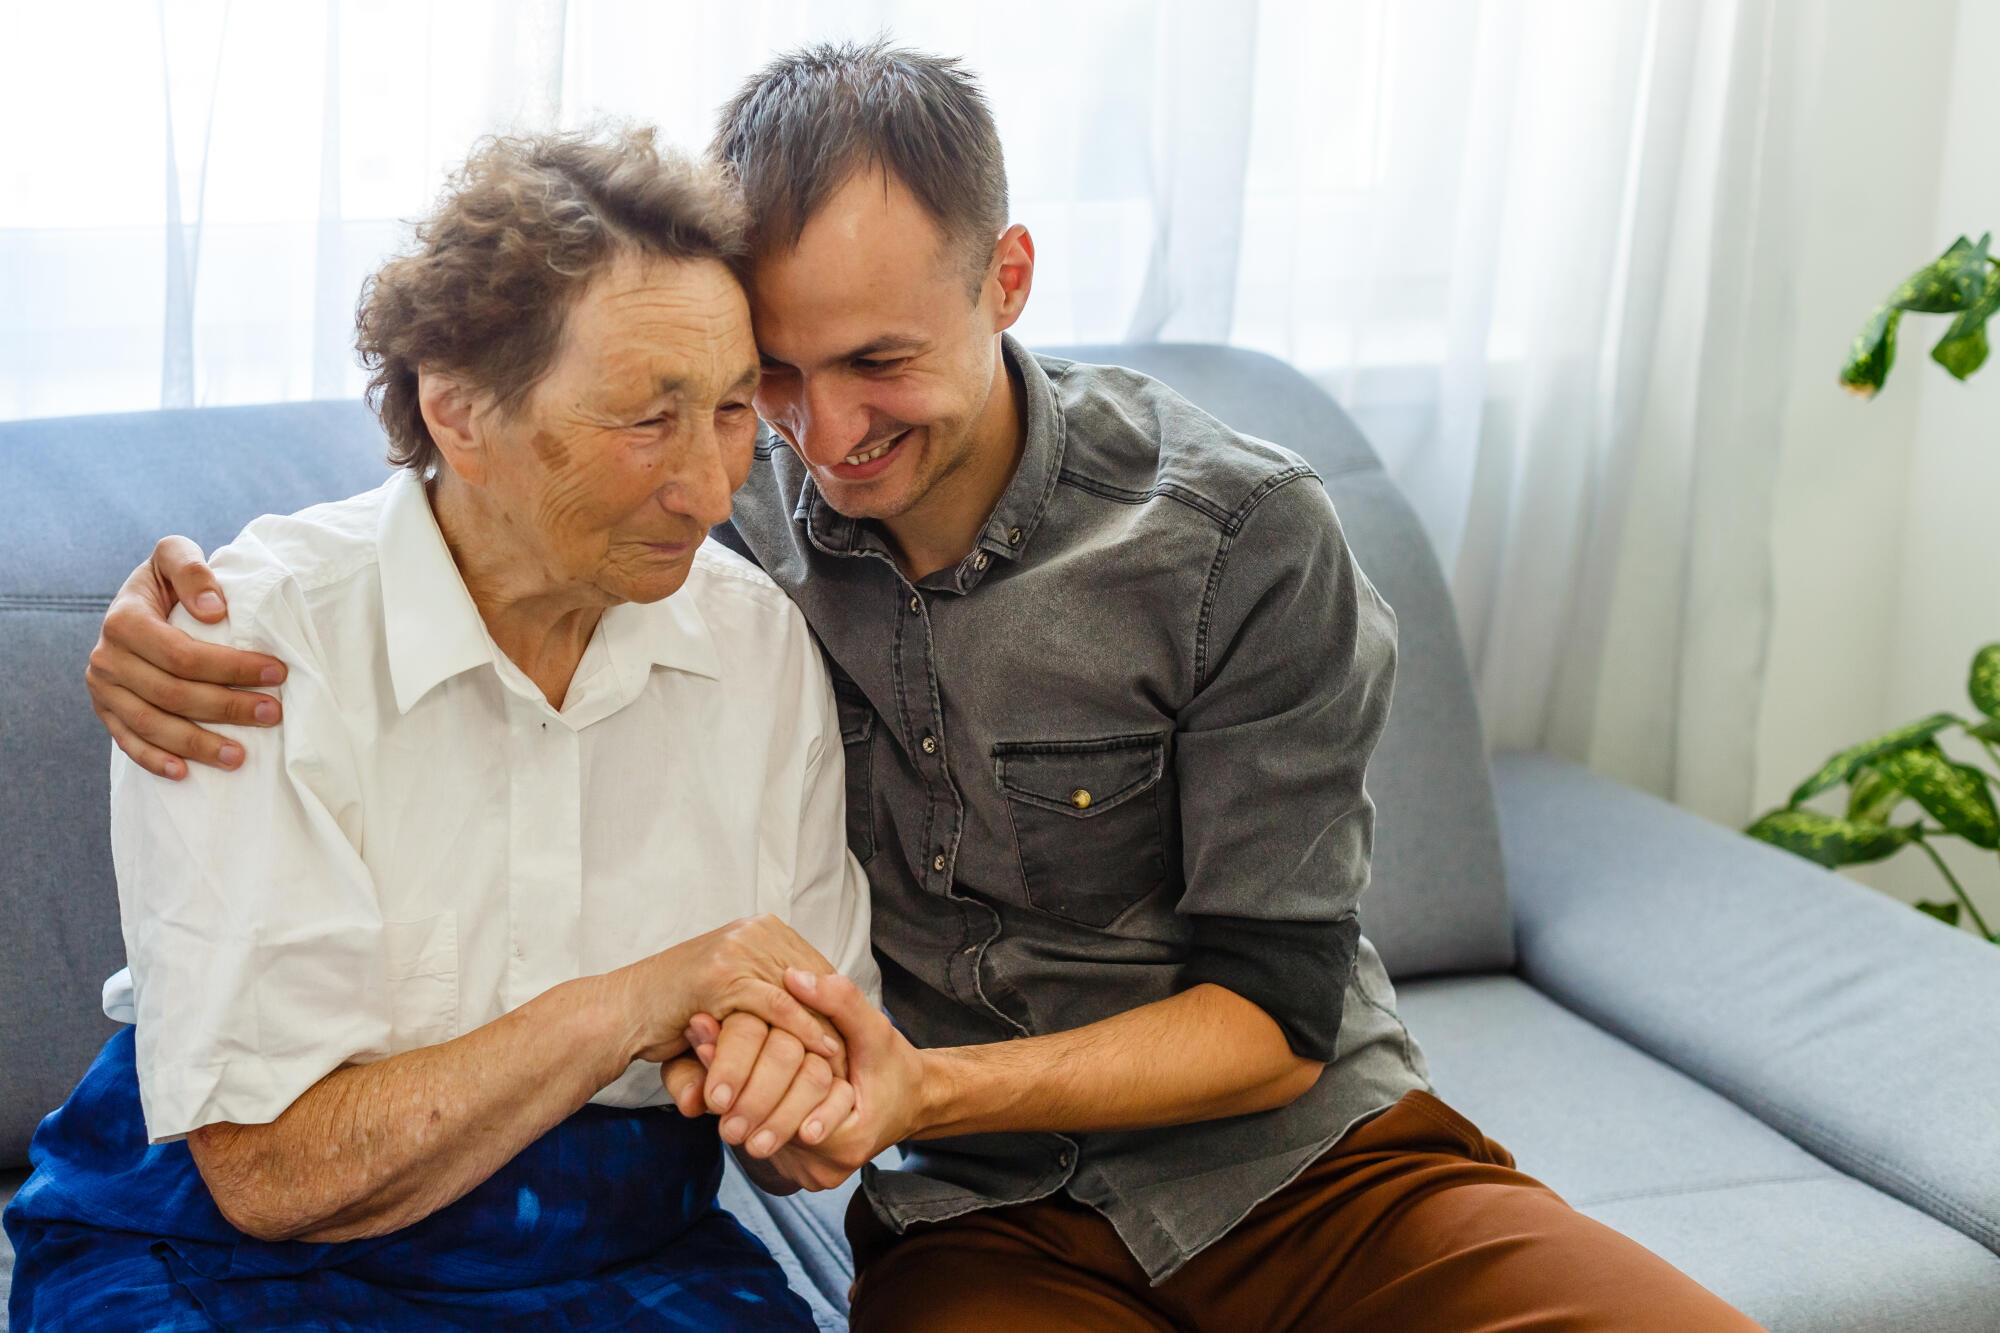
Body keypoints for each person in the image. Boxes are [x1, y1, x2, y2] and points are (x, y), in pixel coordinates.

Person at [81, 41, 1767, 1333]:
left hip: (1302, 1160)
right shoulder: (702, 525)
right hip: (976, 1219)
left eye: (871, 363)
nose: (811, 439)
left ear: (1008, 279)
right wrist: (155, 613)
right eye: (774, 381)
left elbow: (1275, 1016)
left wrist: (885, 1081)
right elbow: (496, 464)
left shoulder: (1233, 533)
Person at [6, 128, 879, 1332]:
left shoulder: (754, 642)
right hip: (216, 1244)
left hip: (617, 1242)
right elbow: (270, 1176)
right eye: (645, 420)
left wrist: (792, 1098)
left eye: (733, 408)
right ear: (458, 409)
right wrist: (638, 1001)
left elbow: (812, 1138)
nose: (709, 486)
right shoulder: (246, 645)